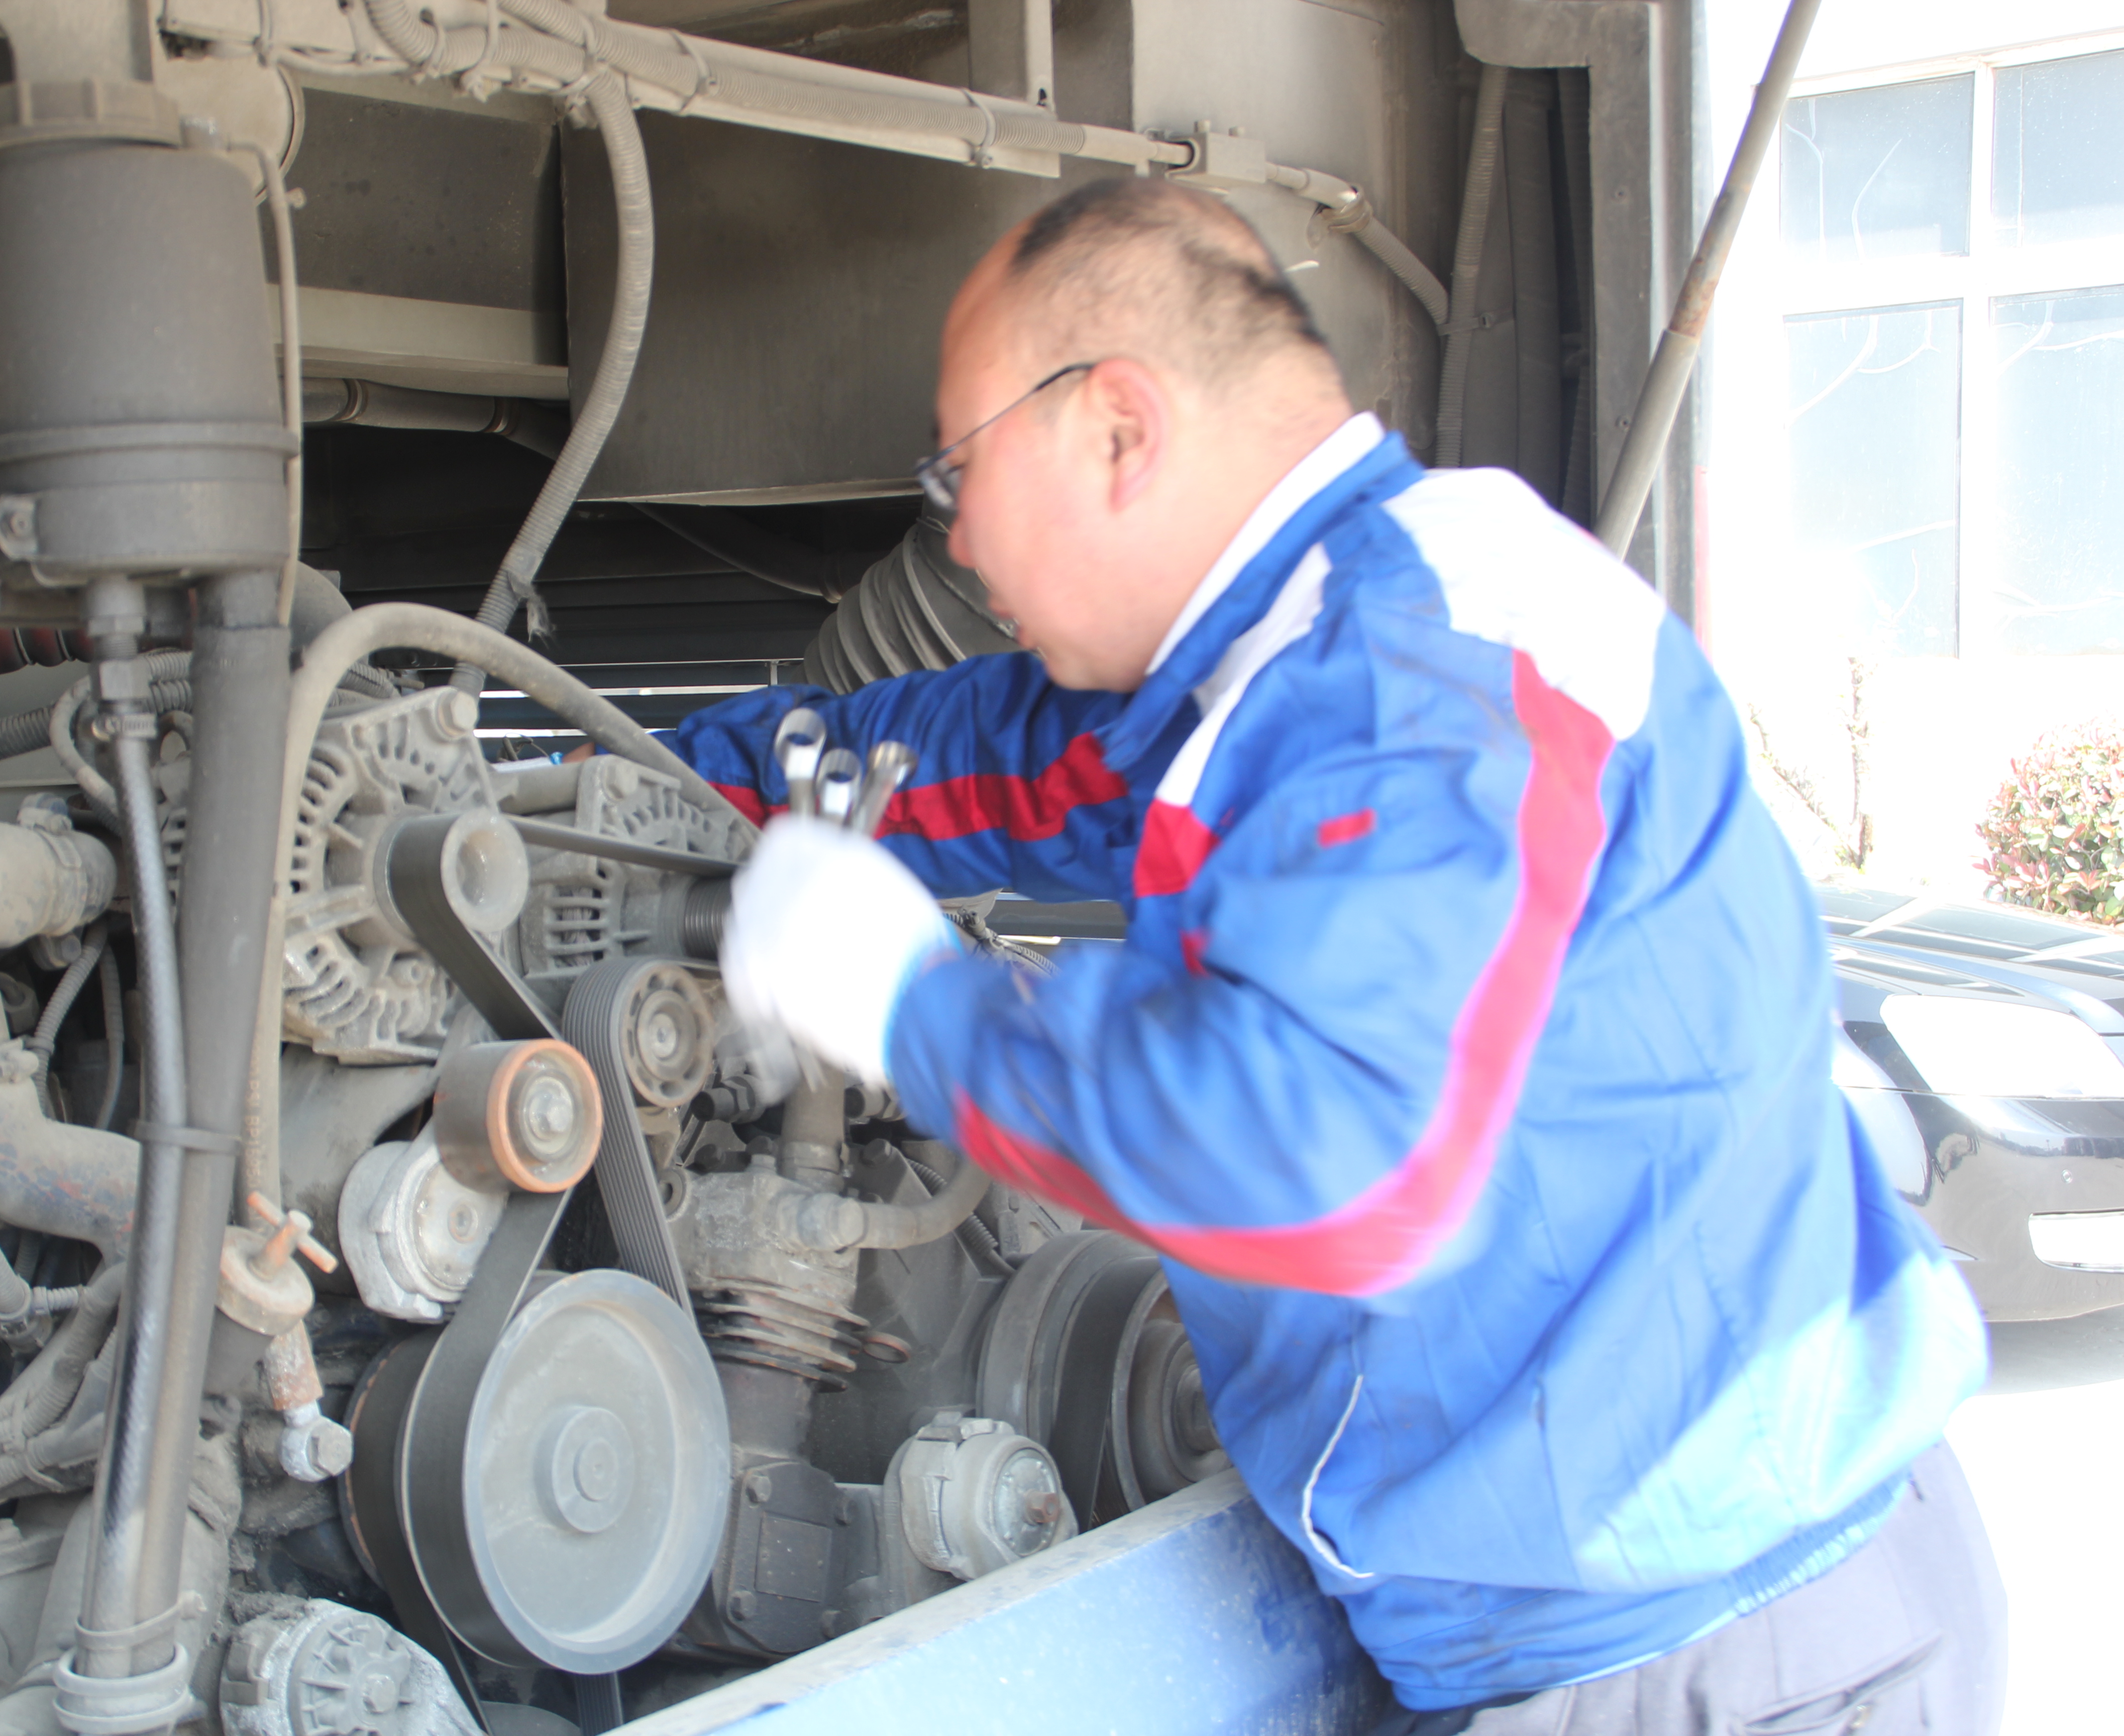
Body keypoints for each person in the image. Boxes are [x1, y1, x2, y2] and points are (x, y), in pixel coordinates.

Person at [666, 177, 2005, 1732]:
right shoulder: (1267, 663)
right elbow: (973, 762)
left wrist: (912, 1005)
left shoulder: (1422, 668)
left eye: (963, 469)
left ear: (1118, 427)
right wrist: (668, 783)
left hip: (1722, 1654)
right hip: (1577, 1621)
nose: (955, 536)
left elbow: (1333, 1165)